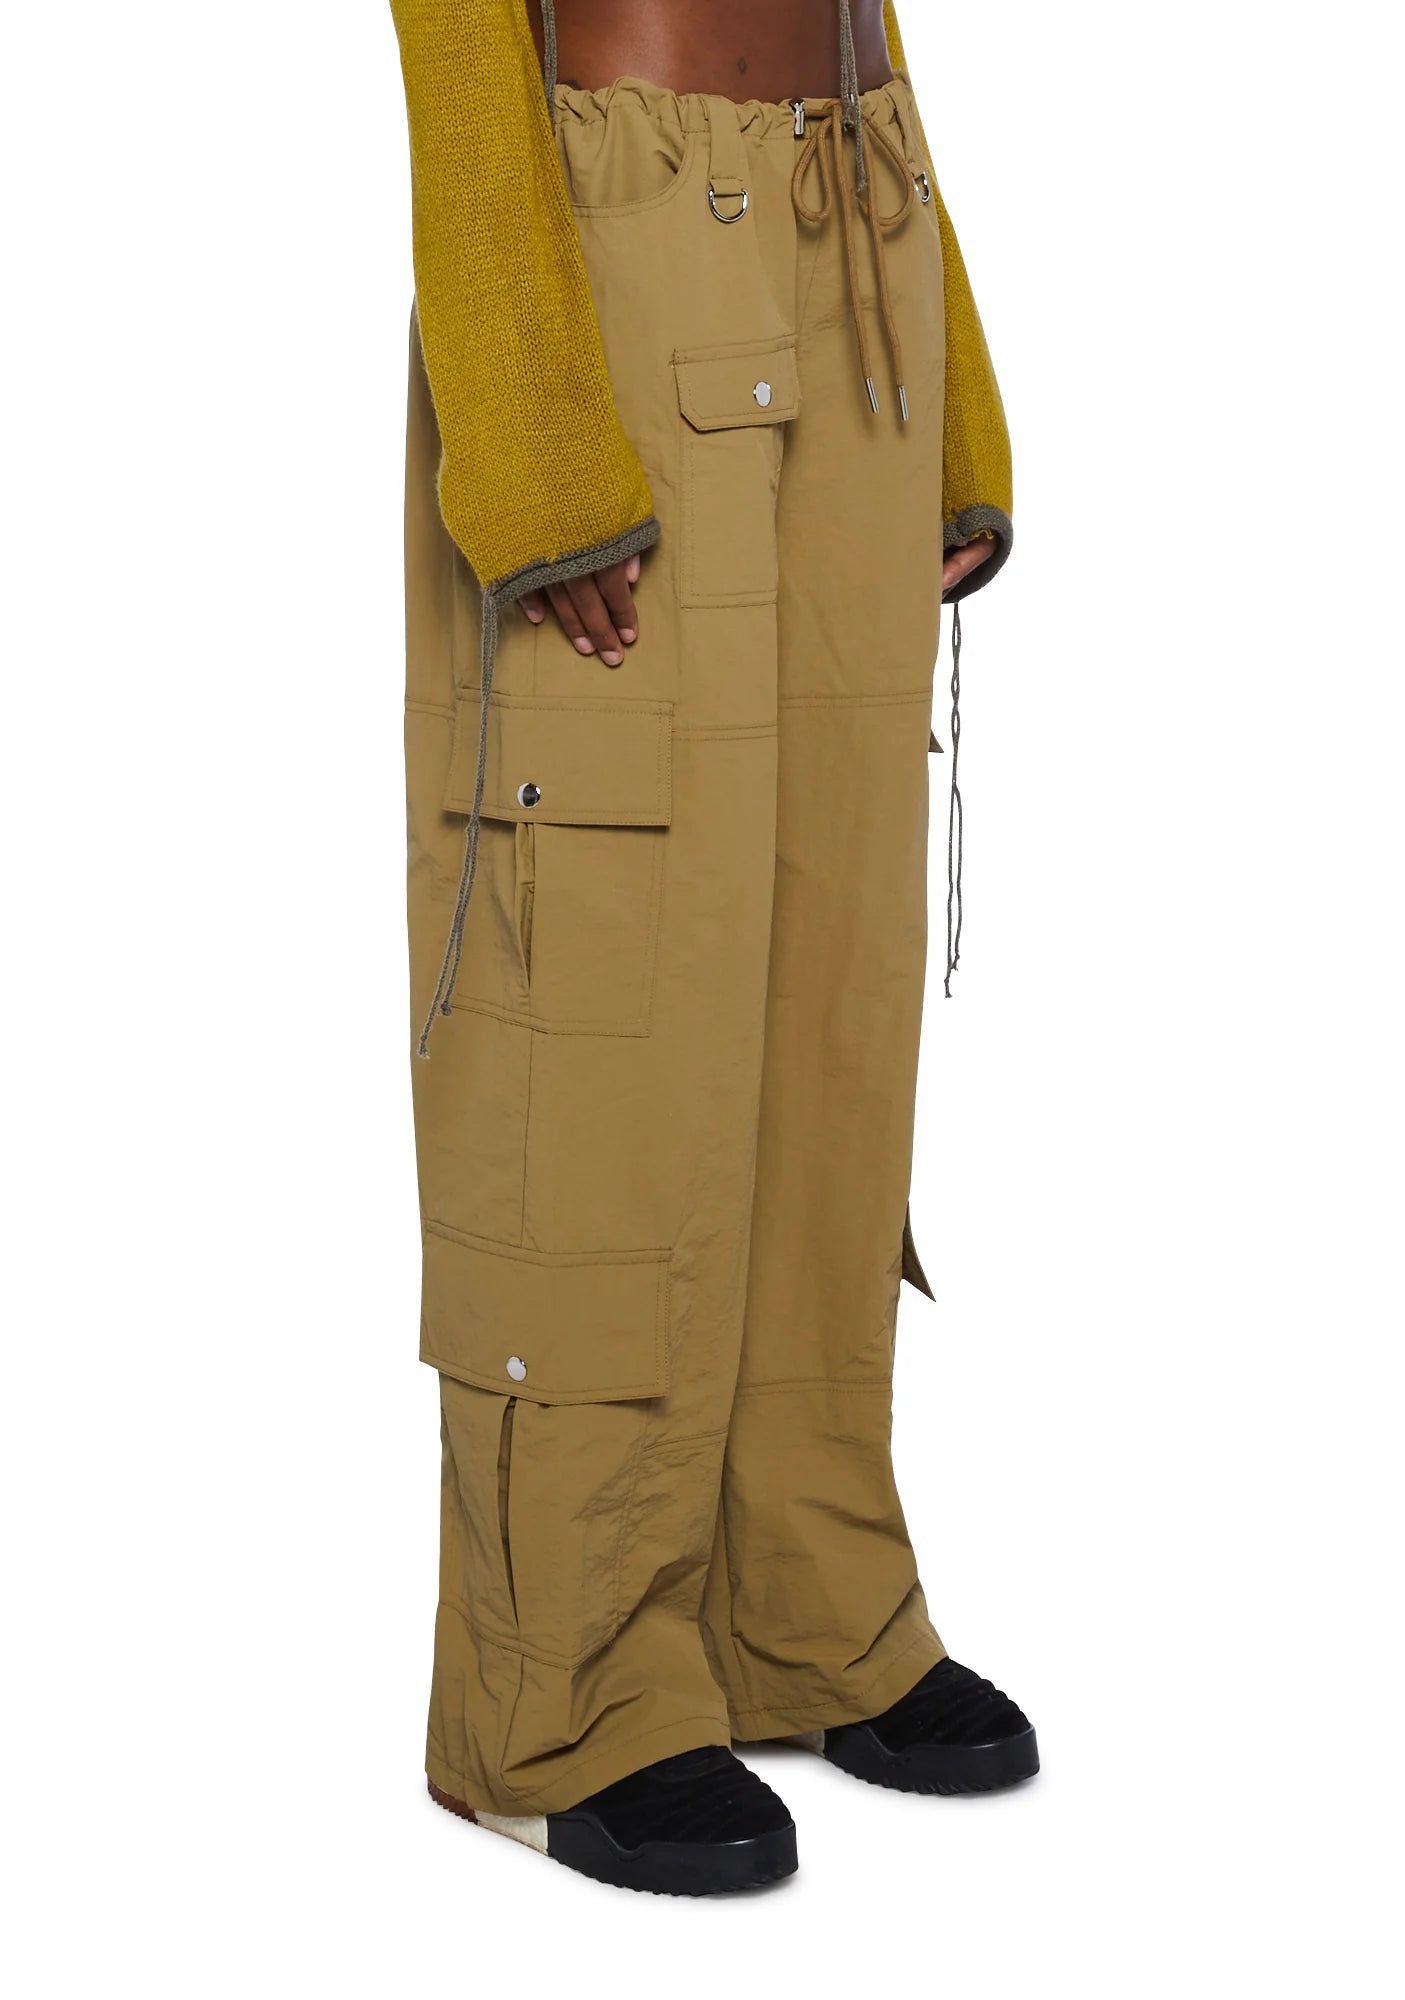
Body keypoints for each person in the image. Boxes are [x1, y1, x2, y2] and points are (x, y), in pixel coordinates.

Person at [389, 0, 1035, 1895]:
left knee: (826, 987)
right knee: (612, 973)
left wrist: (949, 382)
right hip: (624, 246)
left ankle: (803, 1610)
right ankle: (563, 1700)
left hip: (857, 225)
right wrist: (527, 433)